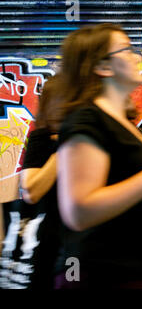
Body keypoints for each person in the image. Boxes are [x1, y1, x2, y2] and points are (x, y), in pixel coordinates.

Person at [53, 23, 142, 289]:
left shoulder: (120, 121)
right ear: (103, 67)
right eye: (127, 50)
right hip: (104, 278)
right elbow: (78, 211)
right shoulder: (87, 121)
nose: (139, 56)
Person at [5, 76, 63, 290]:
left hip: (67, 240)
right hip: (46, 239)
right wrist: (64, 149)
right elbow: (30, 189)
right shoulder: (44, 138)